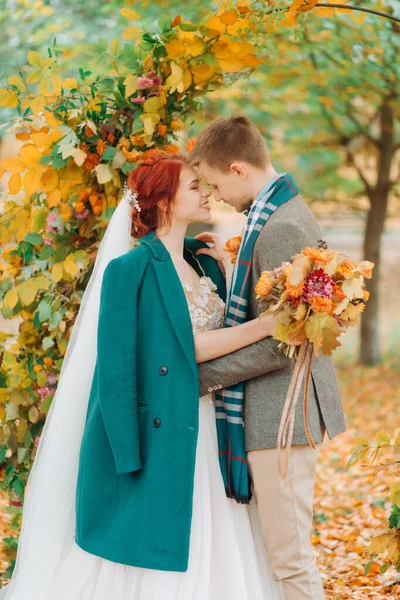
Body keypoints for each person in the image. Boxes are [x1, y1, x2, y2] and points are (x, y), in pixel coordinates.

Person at [0, 151, 285, 600]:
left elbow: (219, 332)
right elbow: (126, 369)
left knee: (216, 533)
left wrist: (227, 273)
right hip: (159, 432)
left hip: (211, 424)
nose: (208, 193)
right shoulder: (127, 271)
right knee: (154, 544)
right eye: (195, 187)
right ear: (165, 202)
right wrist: (126, 456)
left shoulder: (203, 262)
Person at [189, 115, 347, 600]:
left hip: (279, 415)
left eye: (215, 184)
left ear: (238, 169)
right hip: (278, 411)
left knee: (289, 560)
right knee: (278, 555)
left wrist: (203, 376)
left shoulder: (280, 226)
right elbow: (280, 309)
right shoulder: (282, 213)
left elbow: (286, 340)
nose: (215, 197)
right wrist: (234, 266)